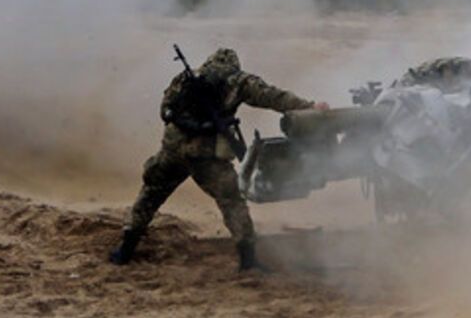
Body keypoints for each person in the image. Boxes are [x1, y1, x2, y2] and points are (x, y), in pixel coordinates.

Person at [108, 47, 328, 271]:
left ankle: (124, 251)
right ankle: (248, 260)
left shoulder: (186, 78)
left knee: (150, 195)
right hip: (206, 156)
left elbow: (166, 109)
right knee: (232, 202)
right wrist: (308, 106)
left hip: (172, 151)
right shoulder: (238, 81)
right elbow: (272, 97)